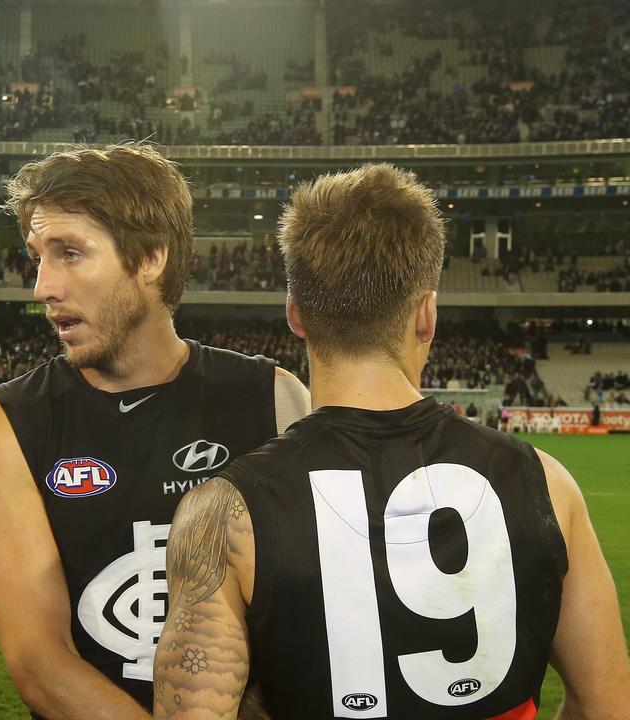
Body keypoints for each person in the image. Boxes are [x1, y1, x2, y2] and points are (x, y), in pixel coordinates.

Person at [155, 164, 630, 719]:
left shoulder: (222, 513)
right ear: (427, 315)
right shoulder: (546, 483)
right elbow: (608, 705)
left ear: (296, 316)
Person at [0, 143, 310, 718]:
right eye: (38, 257)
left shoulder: (273, 400)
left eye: (70, 253)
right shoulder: (6, 423)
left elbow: (307, 621)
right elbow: (40, 663)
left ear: (150, 257)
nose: (43, 286)